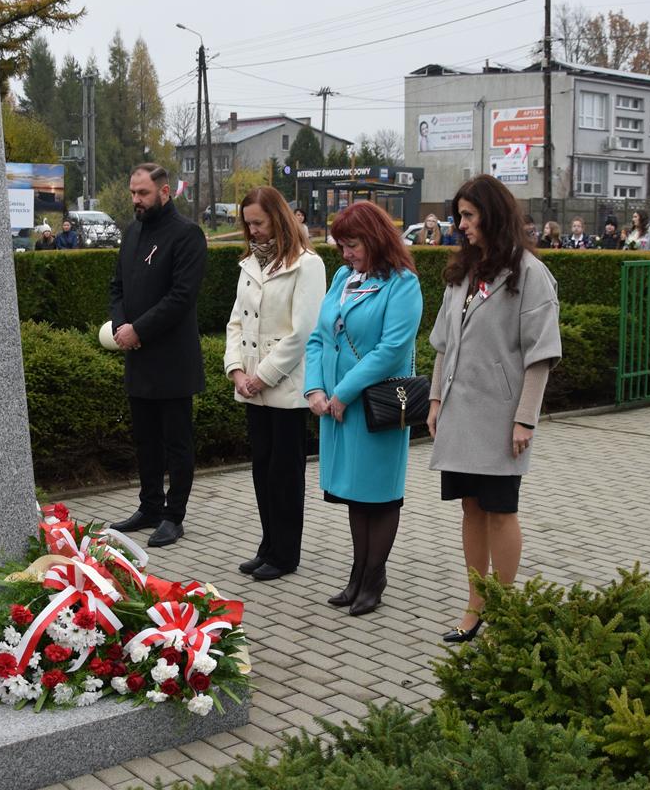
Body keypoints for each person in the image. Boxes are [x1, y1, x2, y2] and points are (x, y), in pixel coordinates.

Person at [426, 176, 560, 644]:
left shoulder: (529, 274)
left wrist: (525, 417)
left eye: (468, 216)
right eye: (458, 215)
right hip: (460, 413)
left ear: (493, 215)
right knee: (470, 508)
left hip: (503, 418)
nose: (459, 225)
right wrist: (436, 398)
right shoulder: (464, 270)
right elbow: (444, 342)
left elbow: (540, 353)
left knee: (501, 511)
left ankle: (503, 612)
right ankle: (474, 606)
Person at [304, 202, 422, 616]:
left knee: (380, 494)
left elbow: (392, 350)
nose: (346, 254)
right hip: (338, 405)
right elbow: (319, 337)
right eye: (342, 247)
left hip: (375, 405)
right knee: (355, 493)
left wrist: (343, 392)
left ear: (374, 239)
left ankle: (374, 577)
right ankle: (357, 574)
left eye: (352, 245)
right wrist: (315, 388)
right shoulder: (342, 277)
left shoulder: (402, 284)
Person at [225, 186, 326, 581]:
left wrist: (261, 376)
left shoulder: (308, 264)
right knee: (262, 470)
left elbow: (303, 332)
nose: (252, 231)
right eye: (247, 224)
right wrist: (236, 370)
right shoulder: (250, 262)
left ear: (279, 219)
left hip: (284, 386)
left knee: (285, 475)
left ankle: (286, 553)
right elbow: (235, 322)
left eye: (259, 223)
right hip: (252, 385)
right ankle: (268, 544)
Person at [107, 163, 209, 548]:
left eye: (143, 193)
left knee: (176, 442)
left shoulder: (187, 235)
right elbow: (117, 286)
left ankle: (173, 515)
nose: (136, 200)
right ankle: (149, 506)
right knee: (145, 440)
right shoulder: (132, 233)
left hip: (172, 361)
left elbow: (181, 298)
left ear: (165, 192)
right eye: (133, 193)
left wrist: (139, 330)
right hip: (138, 358)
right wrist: (121, 326)